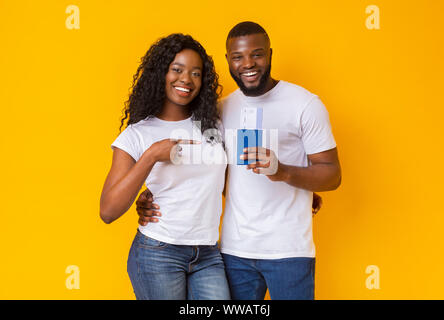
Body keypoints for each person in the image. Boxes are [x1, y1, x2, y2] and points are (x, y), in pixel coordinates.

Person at [136, 21, 342, 300]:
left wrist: (285, 174)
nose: (248, 64)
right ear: (228, 61)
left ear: (270, 54)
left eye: (256, 54)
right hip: (234, 253)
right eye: (238, 57)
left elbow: (332, 174)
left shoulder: (305, 104)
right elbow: (206, 168)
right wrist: (155, 193)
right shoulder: (219, 110)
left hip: (290, 251)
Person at [99, 33, 230, 300]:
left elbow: (229, 180)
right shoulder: (137, 134)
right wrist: (150, 157)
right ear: (161, 73)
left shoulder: (213, 125)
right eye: (177, 70)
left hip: (207, 251)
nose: (186, 79)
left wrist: (289, 193)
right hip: (158, 253)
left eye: (195, 73)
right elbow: (108, 211)